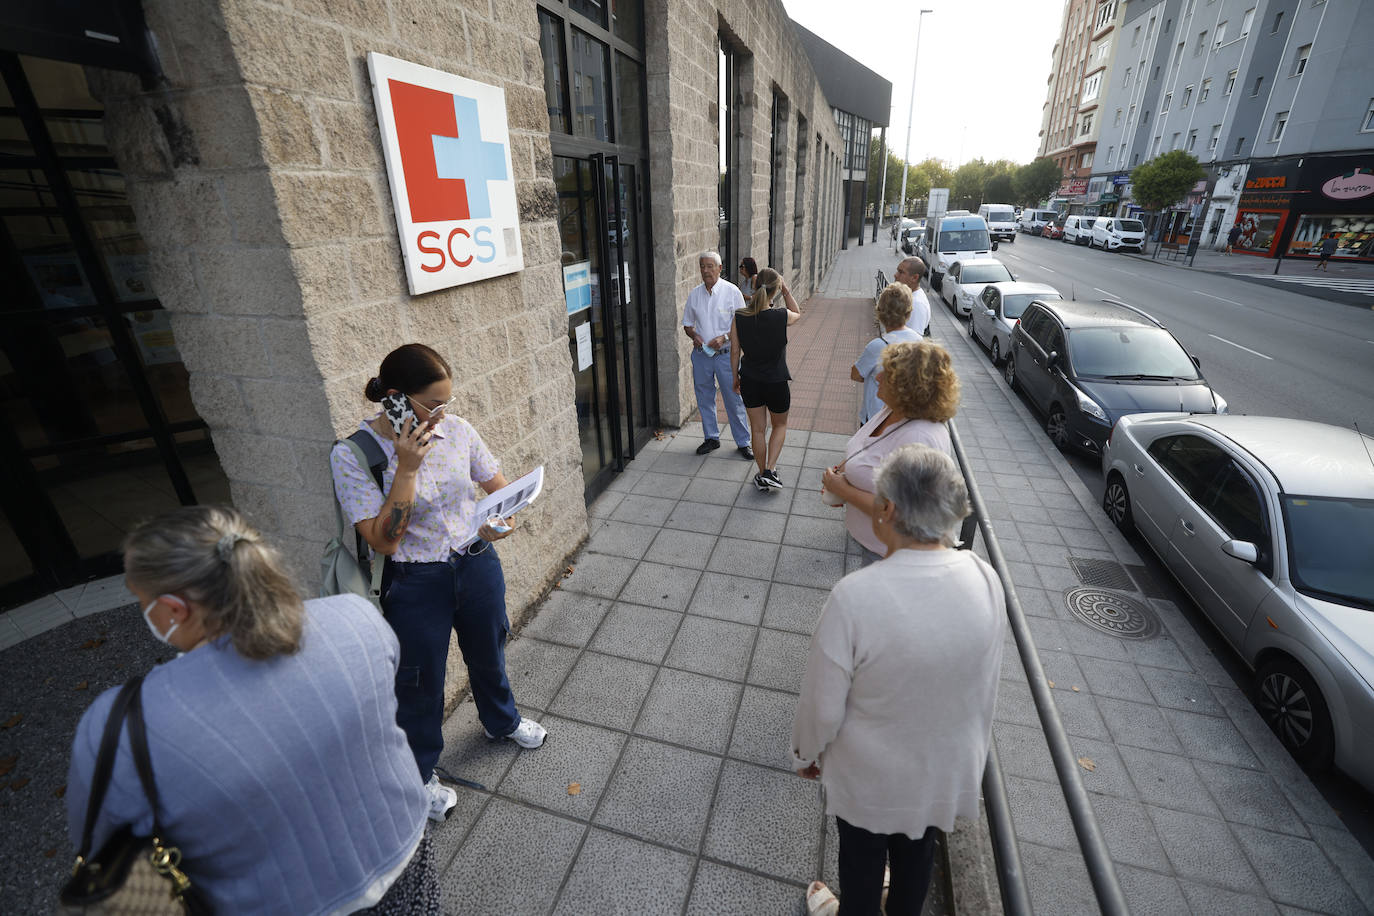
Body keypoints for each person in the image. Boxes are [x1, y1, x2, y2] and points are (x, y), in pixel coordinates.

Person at [66, 506, 438, 914]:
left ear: (175, 609)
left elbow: (100, 839)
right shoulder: (357, 618)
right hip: (407, 858)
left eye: (142, 600)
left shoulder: (119, 725)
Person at [331, 343, 545, 824]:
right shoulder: (353, 455)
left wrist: (500, 523)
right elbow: (383, 540)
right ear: (395, 399)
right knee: (420, 681)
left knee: (490, 648)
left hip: (475, 562)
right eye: (433, 404)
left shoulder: (457, 431)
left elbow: (498, 491)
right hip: (413, 580)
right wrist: (406, 468)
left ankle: (501, 720)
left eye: (447, 403)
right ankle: (421, 773)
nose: (442, 415)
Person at [793, 445, 1006, 916]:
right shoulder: (985, 579)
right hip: (941, 775)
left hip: (870, 781)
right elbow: (983, 687)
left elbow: (821, 706)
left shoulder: (856, 598)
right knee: (917, 862)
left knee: (862, 866)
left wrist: (809, 751)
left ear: (886, 510)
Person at [821, 341, 959, 565]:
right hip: (873, 543)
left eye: (888, 373)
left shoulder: (920, 438)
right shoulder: (892, 411)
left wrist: (844, 491)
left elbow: (902, 512)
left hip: (891, 553)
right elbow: (869, 448)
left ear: (909, 386)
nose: (877, 377)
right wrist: (841, 471)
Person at [730, 266, 802, 490]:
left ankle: (762, 474)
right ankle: (770, 470)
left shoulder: (740, 316)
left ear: (754, 285)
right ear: (776, 289)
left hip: (750, 380)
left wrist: (735, 379)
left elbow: (734, 351)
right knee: (779, 425)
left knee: (758, 429)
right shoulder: (781, 316)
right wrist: (787, 292)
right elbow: (797, 313)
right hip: (777, 381)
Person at [683, 251, 754, 458]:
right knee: (705, 397)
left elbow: (743, 324)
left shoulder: (732, 292)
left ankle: (743, 442)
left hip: (726, 356)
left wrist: (724, 337)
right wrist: (694, 335)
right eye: (702, 266)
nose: (705, 270)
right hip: (701, 355)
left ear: (720, 268)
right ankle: (711, 438)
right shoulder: (694, 294)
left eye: (709, 266)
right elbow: (687, 325)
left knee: (734, 398)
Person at [851, 283, 923, 426]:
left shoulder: (878, 346)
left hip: (876, 418)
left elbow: (856, 374)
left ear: (880, 312)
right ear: (908, 313)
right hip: (906, 418)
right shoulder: (920, 342)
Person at [892, 257, 931, 336]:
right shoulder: (909, 297)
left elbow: (911, 343)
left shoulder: (916, 304)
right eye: (897, 271)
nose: (895, 275)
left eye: (901, 272)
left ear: (914, 278)